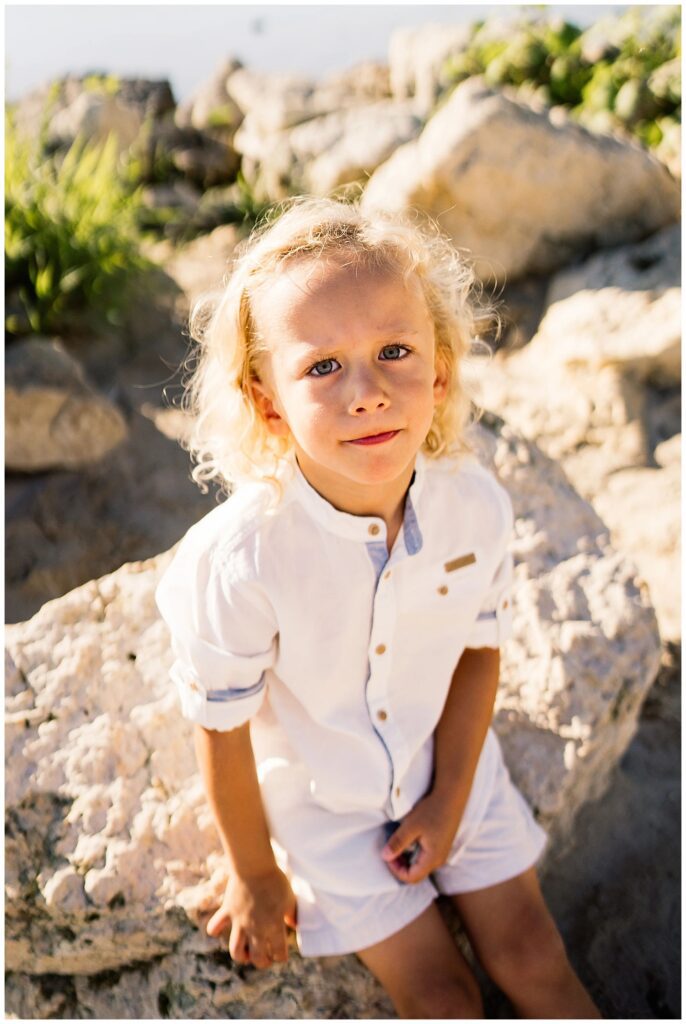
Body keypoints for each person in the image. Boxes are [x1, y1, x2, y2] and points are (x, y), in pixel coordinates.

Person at [156, 197, 600, 1019]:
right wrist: (254, 872)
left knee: (534, 957)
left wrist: (449, 799)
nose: (366, 393)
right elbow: (220, 725)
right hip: (328, 811)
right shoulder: (242, 559)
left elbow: (478, 650)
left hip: (449, 766)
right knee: (443, 999)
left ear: (440, 371)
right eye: (323, 366)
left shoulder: (474, 506)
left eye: (394, 351)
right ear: (267, 403)